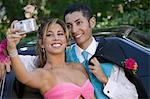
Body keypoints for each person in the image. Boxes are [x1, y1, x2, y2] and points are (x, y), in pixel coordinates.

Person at [0, 3, 140, 99]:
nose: (74, 30)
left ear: (91, 22)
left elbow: (132, 95)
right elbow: (24, 62)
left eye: (79, 23)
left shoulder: (110, 53)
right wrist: (5, 54)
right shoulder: (61, 54)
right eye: (69, 26)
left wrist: (105, 79)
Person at [6, 18, 96, 99]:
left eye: (60, 34)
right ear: (42, 43)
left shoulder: (79, 67)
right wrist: (12, 49)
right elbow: (24, 77)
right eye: (49, 35)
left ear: (66, 41)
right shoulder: (43, 75)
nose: (56, 38)